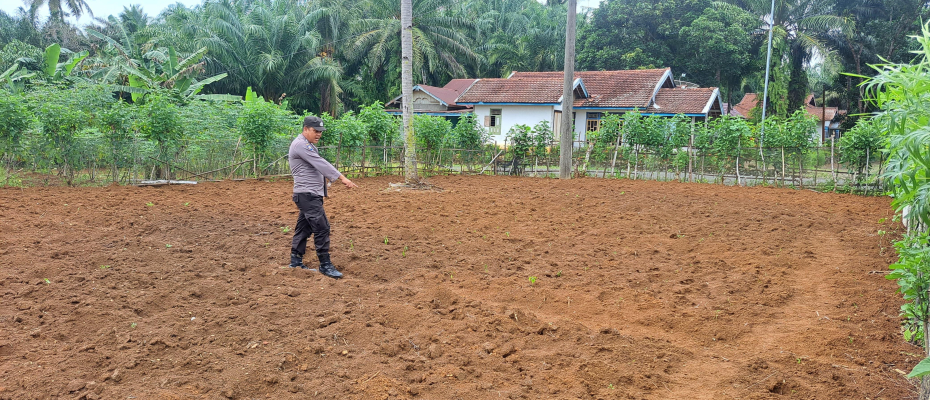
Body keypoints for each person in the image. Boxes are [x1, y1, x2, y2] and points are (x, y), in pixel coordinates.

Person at [288, 115, 357, 278]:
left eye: (320, 131)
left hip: (309, 194)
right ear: (305, 129)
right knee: (322, 227)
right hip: (307, 195)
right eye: (315, 131)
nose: (319, 134)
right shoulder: (301, 145)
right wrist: (342, 178)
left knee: (304, 228)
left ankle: (295, 261)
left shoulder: (307, 144)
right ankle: (325, 265)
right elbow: (320, 163)